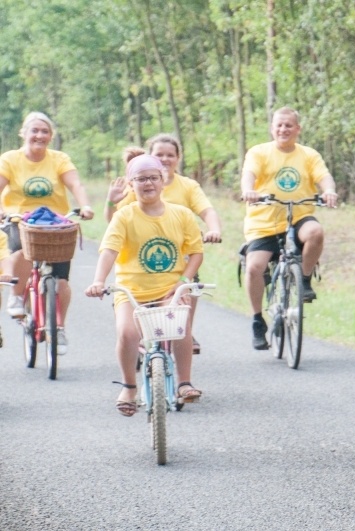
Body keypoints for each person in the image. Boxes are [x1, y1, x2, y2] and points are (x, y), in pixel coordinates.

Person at [85, 154, 204, 416]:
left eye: (153, 178)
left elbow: (196, 253)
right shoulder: (124, 216)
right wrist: (98, 281)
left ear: (163, 181)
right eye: (140, 179)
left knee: (180, 327)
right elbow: (109, 250)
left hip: (169, 289)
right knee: (128, 333)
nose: (147, 183)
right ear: (131, 184)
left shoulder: (182, 215)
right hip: (132, 292)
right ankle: (129, 386)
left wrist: (183, 282)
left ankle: (184, 383)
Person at [105, 134, 223, 354]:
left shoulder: (187, 186)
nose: (166, 159)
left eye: (171, 155)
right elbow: (115, 220)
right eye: (160, 154)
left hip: (180, 250)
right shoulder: (139, 183)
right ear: (150, 156)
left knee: (188, 283)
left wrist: (214, 229)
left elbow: (206, 210)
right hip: (143, 249)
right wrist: (111, 202)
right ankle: (141, 333)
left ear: (178, 158)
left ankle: (184, 328)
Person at [241, 107, 337, 350]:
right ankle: (256, 319)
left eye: (288, 125)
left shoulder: (308, 155)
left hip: (299, 216)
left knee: (315, 232)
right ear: (272, 128)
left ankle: (303, 279)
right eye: (279, 125)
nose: (283, 129)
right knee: (254, 267)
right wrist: (249, 190)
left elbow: (324, 176)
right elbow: (249, 175)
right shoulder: (259, 152)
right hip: (265, 222)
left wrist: (328, 191)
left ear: (297, 129)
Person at [0, 112, 94, 355]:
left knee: (61, 281)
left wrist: (85, 205)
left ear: (51, 136)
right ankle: (17, 295)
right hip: (21, 219)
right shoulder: (10, 159)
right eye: (34, 130)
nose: (39, 135)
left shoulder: (59, 159)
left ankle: (58, 327)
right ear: (24, 133)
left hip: (55, 223)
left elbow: (75, 185)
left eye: (45, 132)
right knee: (21, 251)